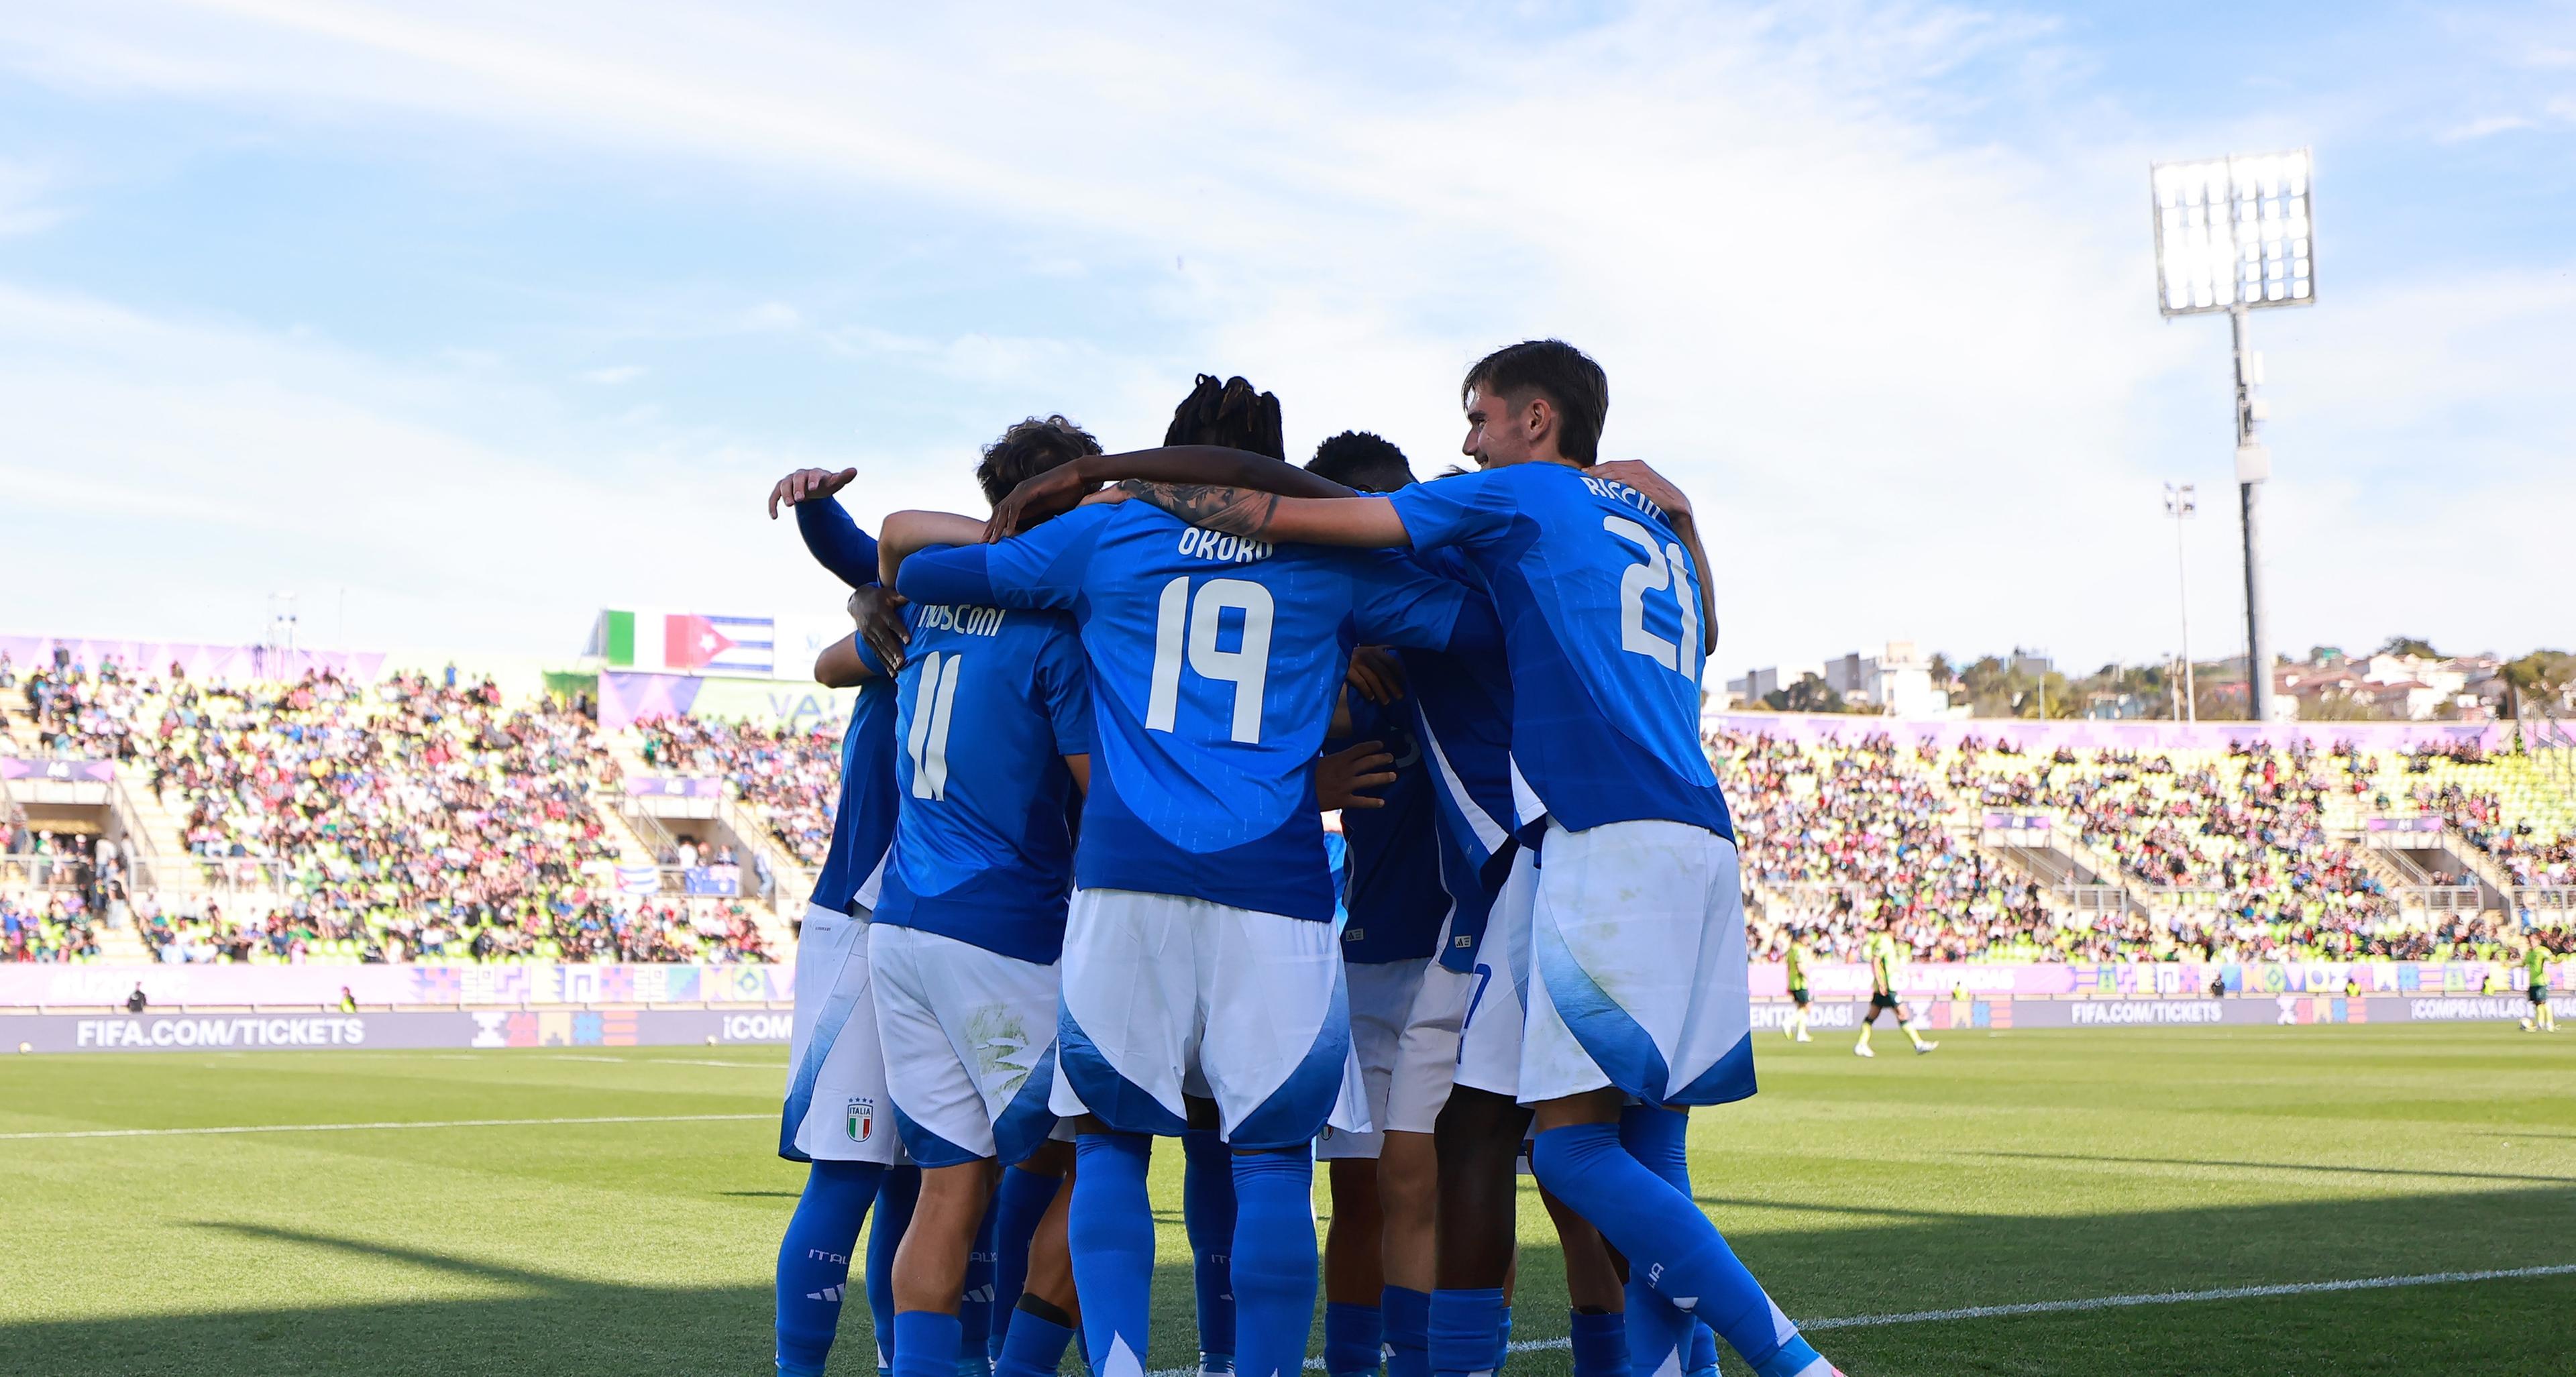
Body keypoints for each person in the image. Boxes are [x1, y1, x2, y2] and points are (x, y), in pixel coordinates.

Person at [985, 339, 1837, 1377]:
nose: (1467, 443)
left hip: (1571, 853)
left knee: (1568, 1158)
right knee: (1544, 1143)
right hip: (1650, 847)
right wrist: (1689, 520)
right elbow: (1702, 637)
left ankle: (1788, 1362)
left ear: (1535, 419)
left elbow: (1288, 509)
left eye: (1479, 417)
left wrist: (1116, 480)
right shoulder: (1635, 530)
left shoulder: (1503, 509)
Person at [886, 379, 1501, 1377]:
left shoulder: (1103, 536)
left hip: (1124, 881)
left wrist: (1087, 501)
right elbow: (1477, 619)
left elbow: (921, 567)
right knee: (1271, 1165)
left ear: (1164, 459)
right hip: (1277, 890)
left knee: (1110, 1148)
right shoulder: (1330, 557)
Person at [851, 417, 1102, 1377]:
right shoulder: (1052, 633)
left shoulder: (927, 605)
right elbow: (1099, 795)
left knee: (949, 1187)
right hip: (1001, 932)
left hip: (905, 928)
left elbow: (897, 535)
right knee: (1103, 1158)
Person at [767, 461, 920, 1377]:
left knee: (924, 1175)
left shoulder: (1020, 594)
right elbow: (860, 552)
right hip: (867, 913)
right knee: (856, 1170)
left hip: (951, 923)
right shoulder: (939, 588)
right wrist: (818, 505)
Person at [1854, 924, 1934, 1058]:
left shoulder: (1889, 941)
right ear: (1893, 925)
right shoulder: (1884, 940)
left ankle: (1861, 1044)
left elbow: (1890, 965)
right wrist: (1881, 982)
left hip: (1885, 986)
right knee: (1903, 1014)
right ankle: (1918, 1044)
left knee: (1872, 1016)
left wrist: (1907, 974)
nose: (1902, 928)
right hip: (1887, 987)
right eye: (1901, 925)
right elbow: (1875, 961)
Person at [1782, 930, 1815, 1043]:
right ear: (1800, 938)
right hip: (1800, 983)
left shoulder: (1791, 949)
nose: (1808, 939)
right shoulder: (1799, 949)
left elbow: (1789, 967)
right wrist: (1809, 978)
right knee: (1808, 1006)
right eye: (1806, 937)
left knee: (1801, 1007)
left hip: (1793, 982)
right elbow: (1800, 967)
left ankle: (1801, 1034)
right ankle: (1788, 1022)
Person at [2522, 938, 2556, 1034]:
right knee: (2537, 1003)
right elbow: (2524, 963)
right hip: (2533, 982)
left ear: (2538, 941)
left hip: (2542, 981)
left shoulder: (2542, 951)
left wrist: (2554, 960)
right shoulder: (2530, 953)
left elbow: (2552, 958)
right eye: (2530, 942)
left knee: (2543, 1002)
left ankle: (2550, 1023)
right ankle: (2541, 1024)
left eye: (2533, 941)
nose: (2531, 943)